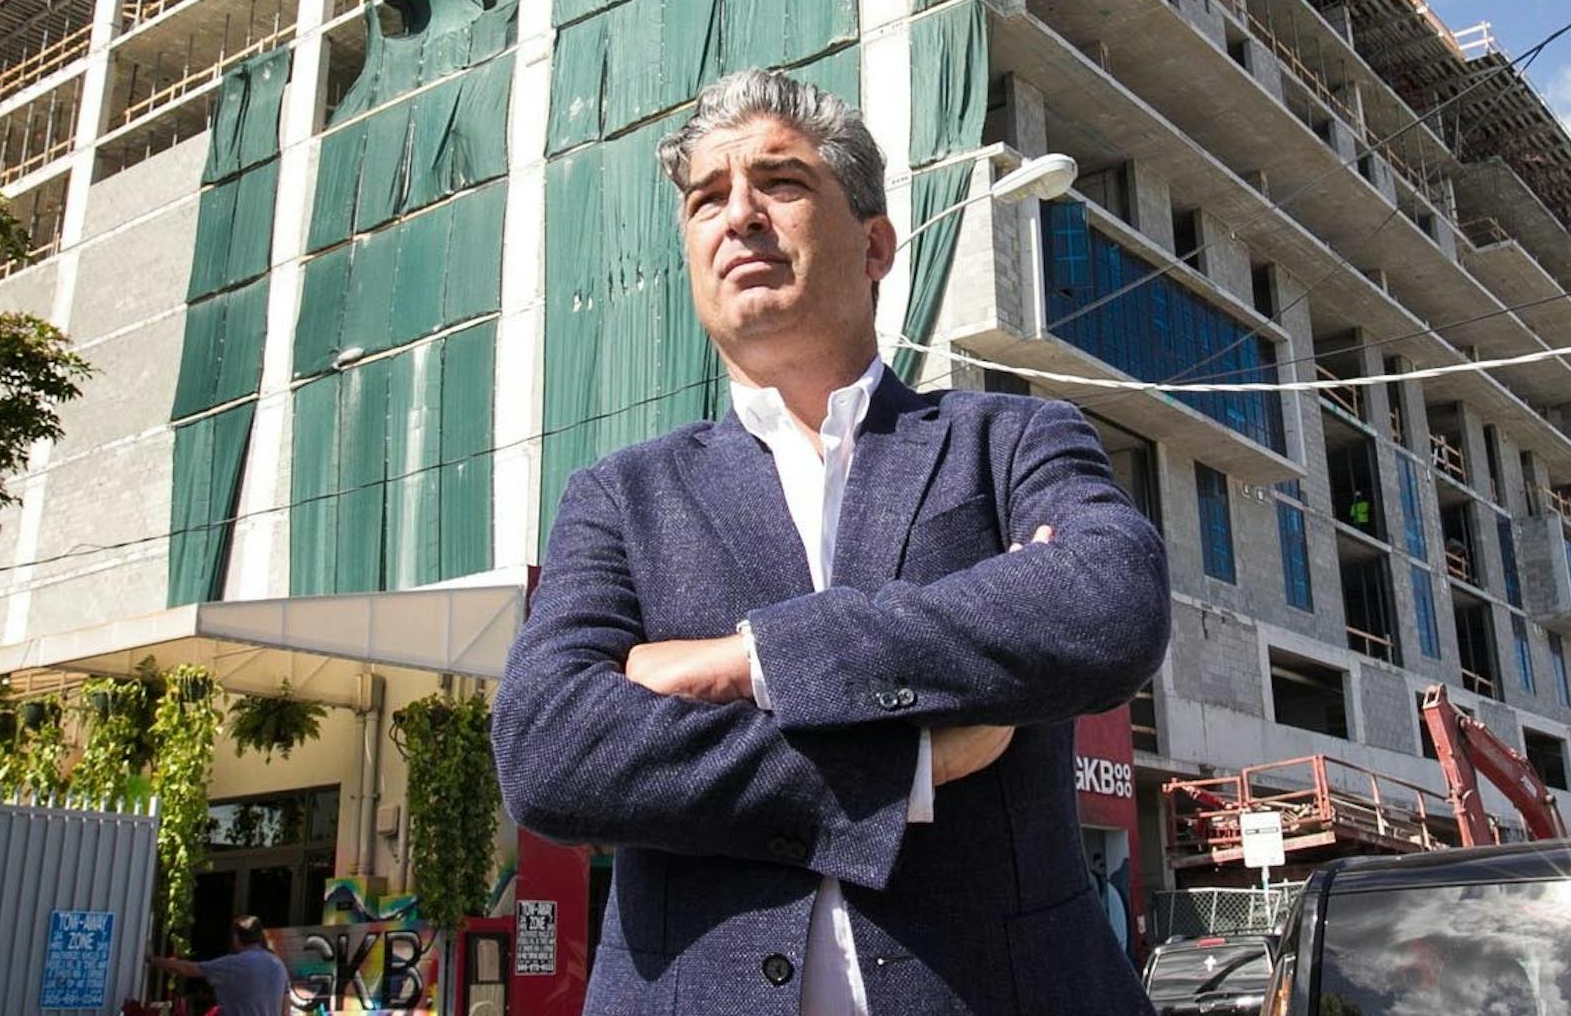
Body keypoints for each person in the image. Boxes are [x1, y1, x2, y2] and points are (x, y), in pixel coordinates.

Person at [493, 68, 1170, 1015]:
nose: (740, 215)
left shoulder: (1010, 439)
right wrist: (908, 766)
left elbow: (1108, 604)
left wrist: (752, 659)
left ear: (876, 244)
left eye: (780, 182)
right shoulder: (619, 497)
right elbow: (550, 752)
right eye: (706, 199)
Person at [147, 914, 291, 1016]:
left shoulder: (232, 965)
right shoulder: (279, 966)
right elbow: (286, 1012)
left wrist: (153, 959)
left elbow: (187, 969)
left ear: (236, 938)